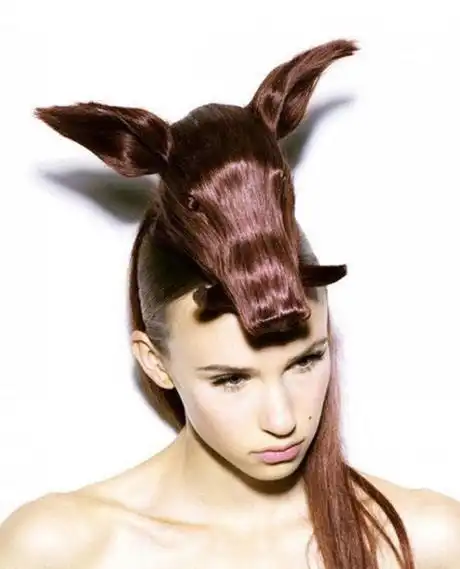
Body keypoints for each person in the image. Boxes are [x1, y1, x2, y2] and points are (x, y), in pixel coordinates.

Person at [0, 38, 459, 569]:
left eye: (305, 360)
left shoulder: (424, 542)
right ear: (155, 362)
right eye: (231, 379)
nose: (282, 419)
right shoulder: (61, 549)